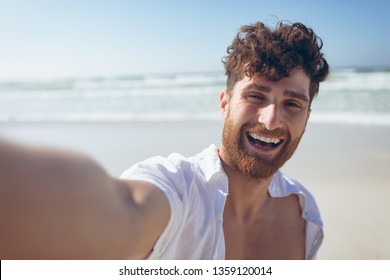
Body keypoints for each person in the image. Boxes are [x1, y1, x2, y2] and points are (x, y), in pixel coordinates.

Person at [0, 21, 329, 260]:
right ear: (225, 103)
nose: (271, 120)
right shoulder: (179, 187)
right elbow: (125, 210)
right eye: (256, 96)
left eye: (292, 104)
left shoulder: (304, 214)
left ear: (307, 116)